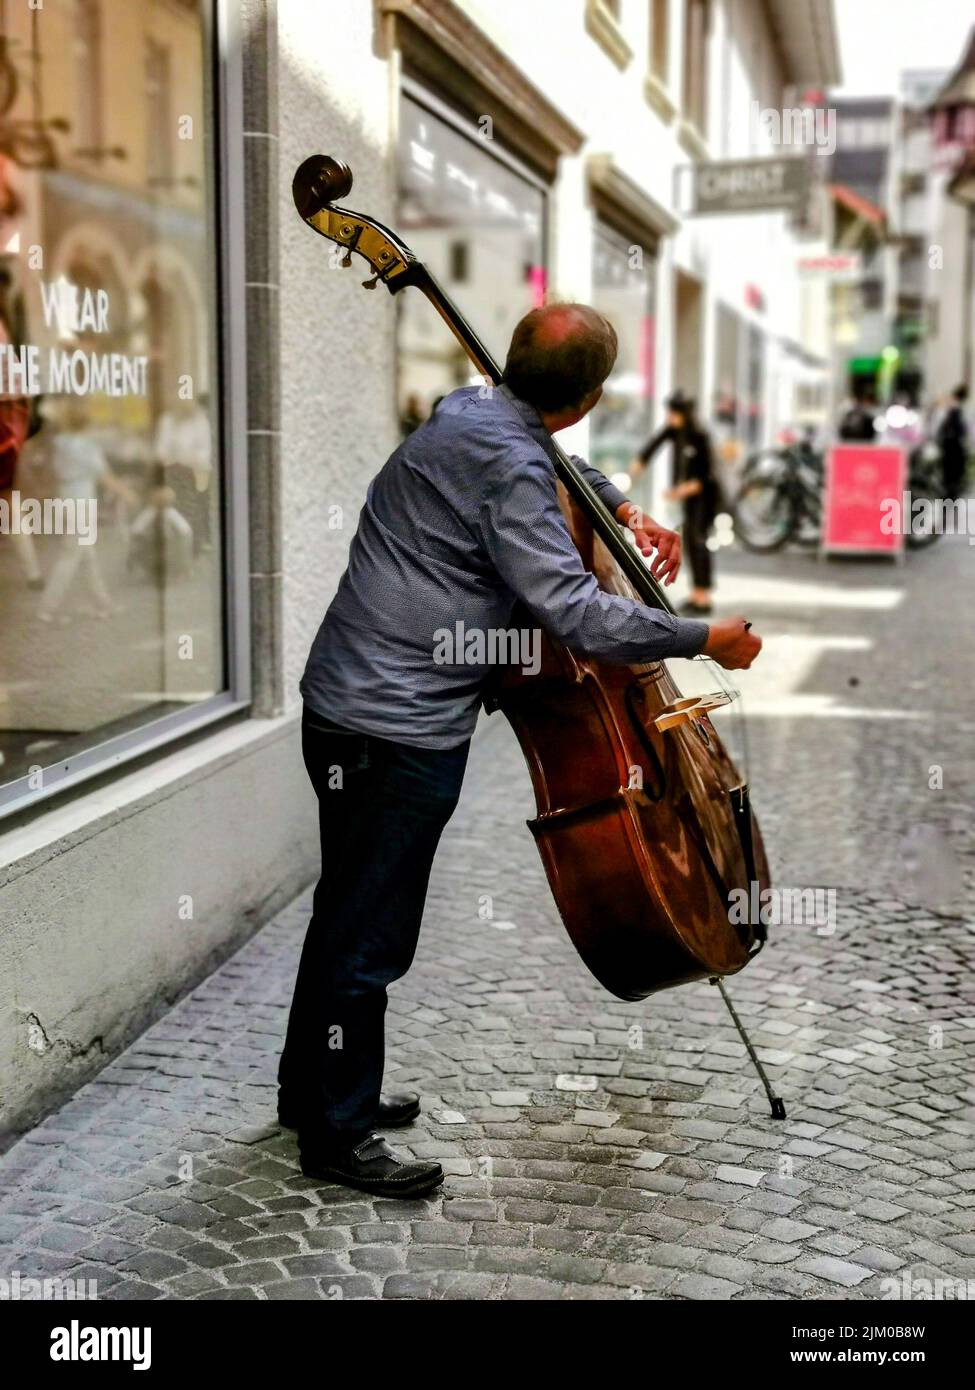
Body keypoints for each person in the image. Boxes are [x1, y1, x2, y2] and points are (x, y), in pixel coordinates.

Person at [279, 303, 762, 1199]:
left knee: (346, 906)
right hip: (394, 728)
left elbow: (552, 462)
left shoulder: (471, 414)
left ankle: (310, 1093)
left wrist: (614, 501)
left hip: (345, 704)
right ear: (585, 400)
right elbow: (576, 612)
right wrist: (702, 636)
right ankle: (336, 1138)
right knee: (369, 935)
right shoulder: (508, 462)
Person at [629, 390, 719, 616]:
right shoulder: (675, 430)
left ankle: (703, 596)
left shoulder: (700, 436)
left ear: (685, 414)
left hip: (705, 495)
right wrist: (639, 463)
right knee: (691, 539)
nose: (670, 417)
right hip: (690, 496)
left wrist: (680, 491)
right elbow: (654, 444)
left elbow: (707, 476)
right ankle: (697, 594)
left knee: (698, 541)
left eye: (674, 412)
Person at [936, 385, 969, 501]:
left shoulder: (952, 407)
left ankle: (950, 488)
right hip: (953, 443)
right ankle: (951, 488)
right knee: (953, 467)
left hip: (950, 442)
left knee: (951, 467)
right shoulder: (955, 408)